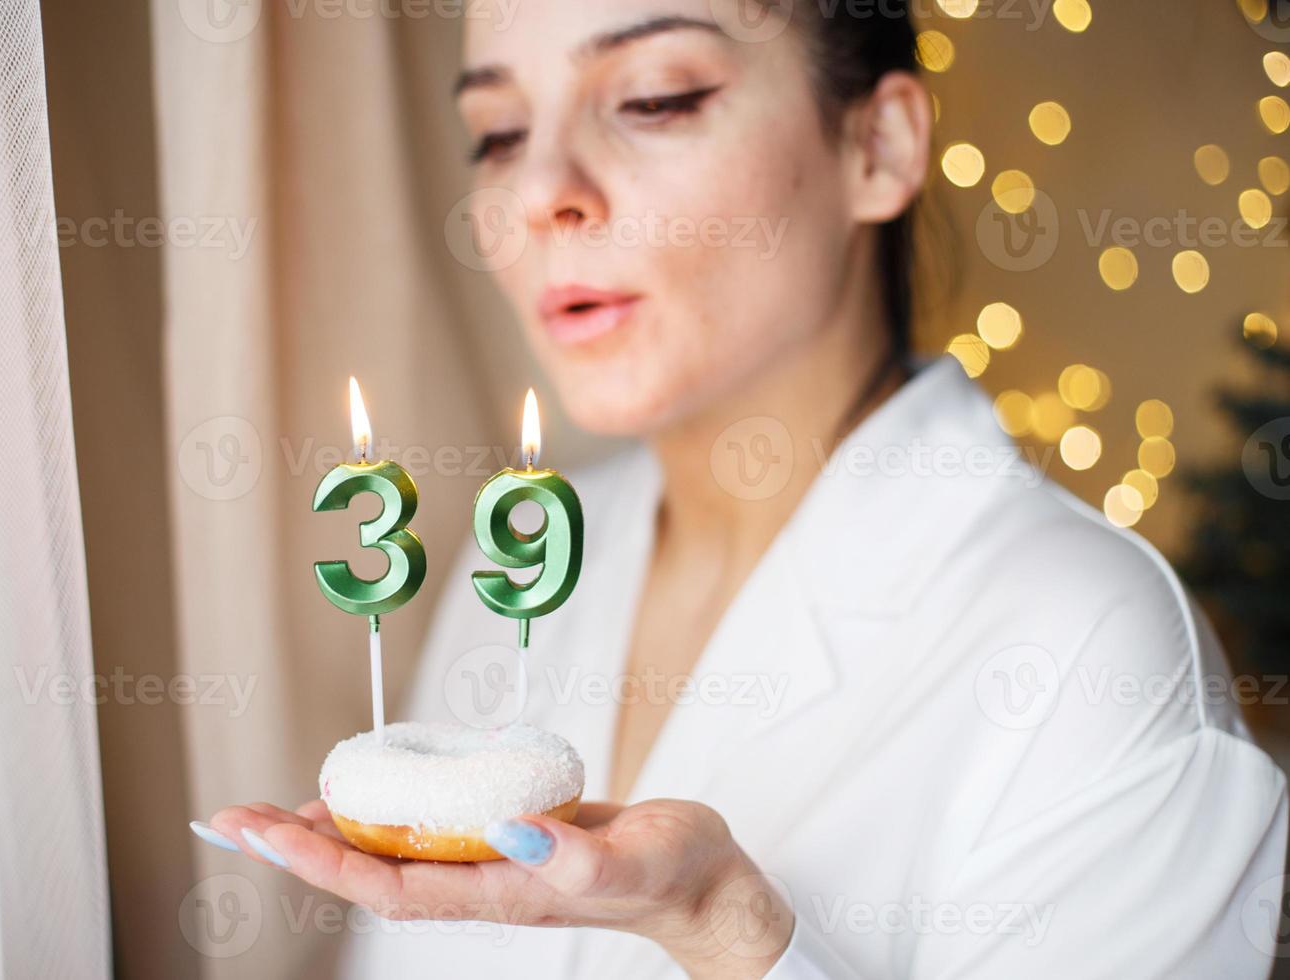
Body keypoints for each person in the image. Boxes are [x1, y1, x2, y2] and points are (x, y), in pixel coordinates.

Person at [198, 1, 1289, 975]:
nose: (537, 194)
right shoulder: (513, 564)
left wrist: (726, 930)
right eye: (497, 133)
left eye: (654, 99)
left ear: (878, 142)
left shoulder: (1090, 651)